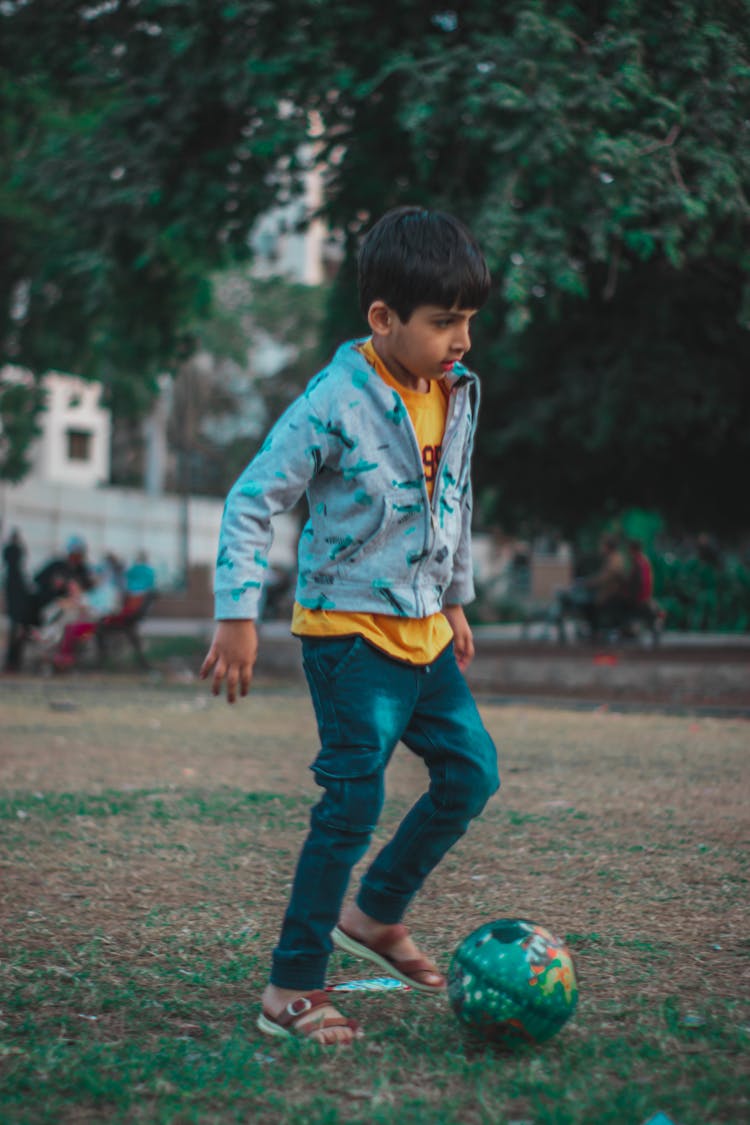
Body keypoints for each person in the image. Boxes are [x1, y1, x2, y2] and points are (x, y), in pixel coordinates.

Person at [200, 206, 500, 1046]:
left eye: (468, 320)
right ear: (383, 319)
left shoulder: (457, 392)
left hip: (424, 631)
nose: (462, 340)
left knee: (471, 773)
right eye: (444, 323)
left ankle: (374, 911)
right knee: (353, 797)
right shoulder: (334, 400)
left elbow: (455, 500)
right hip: (348, 635)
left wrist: (453, 596)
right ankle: (292, 985)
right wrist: (237, 614)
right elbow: (253, 499)